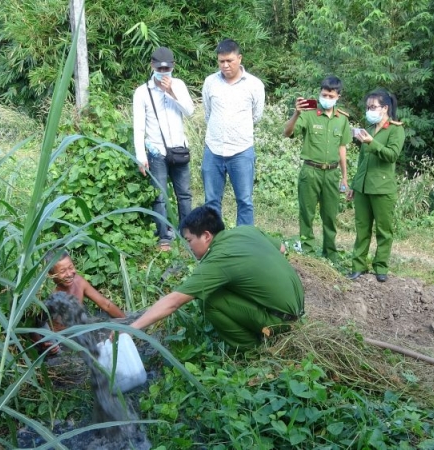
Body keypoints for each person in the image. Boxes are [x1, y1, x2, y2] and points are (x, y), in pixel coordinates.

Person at [128, 206, 304, 350]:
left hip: (282, 321)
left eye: (189, 240)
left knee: (208, 299)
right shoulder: (246, 231)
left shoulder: (219, 259)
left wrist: (132, 328)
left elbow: (174, 301)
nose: (188, 247)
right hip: (298, 308)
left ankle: (252, 350)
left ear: (206, 236)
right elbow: (281, 248)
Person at [283, 75, 352, 263]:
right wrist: (296, 113)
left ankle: (330, 251)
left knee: (330, 215)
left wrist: (345, 177)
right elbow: (287, 132)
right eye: (324, 94)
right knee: (307, 212)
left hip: (332, 173)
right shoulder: (309, 113)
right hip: (310, 171)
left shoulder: (342, 119)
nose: (326, 98)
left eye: (330, 96)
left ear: (338, 96)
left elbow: (342, 148)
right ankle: (307, 248)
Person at [132, 46, 195, 250]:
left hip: (179, 148)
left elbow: (190, 112)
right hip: (156, 151)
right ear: (152, 66)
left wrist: (171, 92)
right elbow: (139, 126)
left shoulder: (179, 85)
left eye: (167, 69)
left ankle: (187, 233)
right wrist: (141, 156)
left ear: (173, 67)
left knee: (184, 193)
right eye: (160, 68)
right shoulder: (142, 92)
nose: (163, 72)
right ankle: (164, 237)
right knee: (160, 196)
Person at [201, 39, 265, 226]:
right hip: (213, 149)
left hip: (241, 151)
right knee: (211, 201)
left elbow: (256, 115)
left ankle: (243, 246)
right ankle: (214, 244)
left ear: (239, 58)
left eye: (230, 60)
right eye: (221, 61)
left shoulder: (254, 85)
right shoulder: (210, 82)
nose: (225, 65)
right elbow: (208, 113)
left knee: (244, 201)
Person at [347, 89, 405, 283]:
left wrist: (373, 143)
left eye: (373, 107)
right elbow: (362, 160)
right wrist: (354, 185)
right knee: (362, 228)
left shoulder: (396, 129)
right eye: (368, 107)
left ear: (385, 108)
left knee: (383, 230)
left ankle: (381, 267)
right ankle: (358, 266)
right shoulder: (369, 130)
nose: (369, 110)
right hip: (363, 188)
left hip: (382, 189)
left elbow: (392, 155)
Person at [30, 250, 126, 354]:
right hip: (60, 341)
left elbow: (106, 305)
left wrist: (126, 322)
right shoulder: (46, 294)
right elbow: (33, 325)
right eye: (62, 271)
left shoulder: (78, 282)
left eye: (71, 267)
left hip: (80, 331)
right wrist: (41, 343)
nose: (69, 274)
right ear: (50, 274)